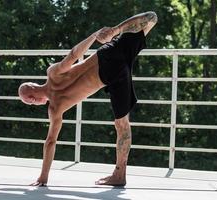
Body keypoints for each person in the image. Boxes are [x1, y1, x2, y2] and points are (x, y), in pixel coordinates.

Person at [18, 11, 158, 186]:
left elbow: (50, 142)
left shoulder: (55, 108)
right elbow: (74, 55)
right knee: (151, 18)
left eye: (28, 102)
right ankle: (117, 30)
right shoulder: (52, 73)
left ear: (32, 99)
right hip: (108, 53)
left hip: (111, 75)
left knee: (122, 124)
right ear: (33, 84)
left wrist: (43, 177)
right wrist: (104, 33)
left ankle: (120, 175)